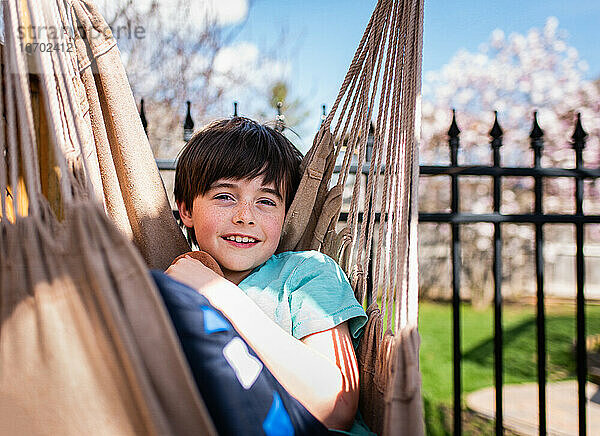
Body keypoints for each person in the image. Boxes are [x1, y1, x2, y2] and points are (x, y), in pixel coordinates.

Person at [166, 117, 371, 434]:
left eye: (265, 201)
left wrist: (218, 294)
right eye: (224, 196)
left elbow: (336, 406)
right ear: (186, 210)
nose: (245, 216)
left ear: (284, 213)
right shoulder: (172, 287)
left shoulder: (308, 274)